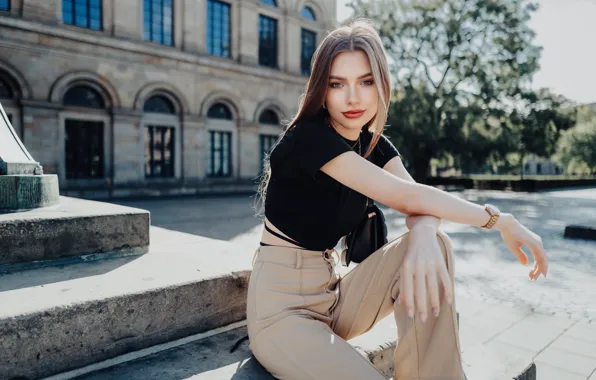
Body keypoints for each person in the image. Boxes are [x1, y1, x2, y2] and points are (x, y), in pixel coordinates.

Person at [247, 19, 548, 380]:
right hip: (281, 312)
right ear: (321, 91)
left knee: (435, 241)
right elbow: (409, 196)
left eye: (366, 81)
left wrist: (422, 235)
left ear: (382, 85)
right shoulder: (309, 139)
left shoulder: (372, 144)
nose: (353, 97)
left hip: (333, 297)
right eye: (337, 84)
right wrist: (500, 221)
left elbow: (418, 201)